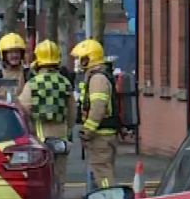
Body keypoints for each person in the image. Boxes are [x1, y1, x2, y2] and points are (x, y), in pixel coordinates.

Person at [18, 40, 75, 188]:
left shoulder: (32, 84)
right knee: (59, 178)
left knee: (42, 178)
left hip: (40, 139)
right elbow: (72, 114)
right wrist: (68, 130)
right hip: (61, 140)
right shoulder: (65, 83)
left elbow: (22, 111)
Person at [71, 38, 119, 190]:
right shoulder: (98, 76)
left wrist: (87, 131)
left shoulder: (97, 79)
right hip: (104, 135)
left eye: (80, 58)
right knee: (102, 171)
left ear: (88, 58)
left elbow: (98, 108)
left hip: (101, 136)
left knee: (103, 174)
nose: (77, 62)